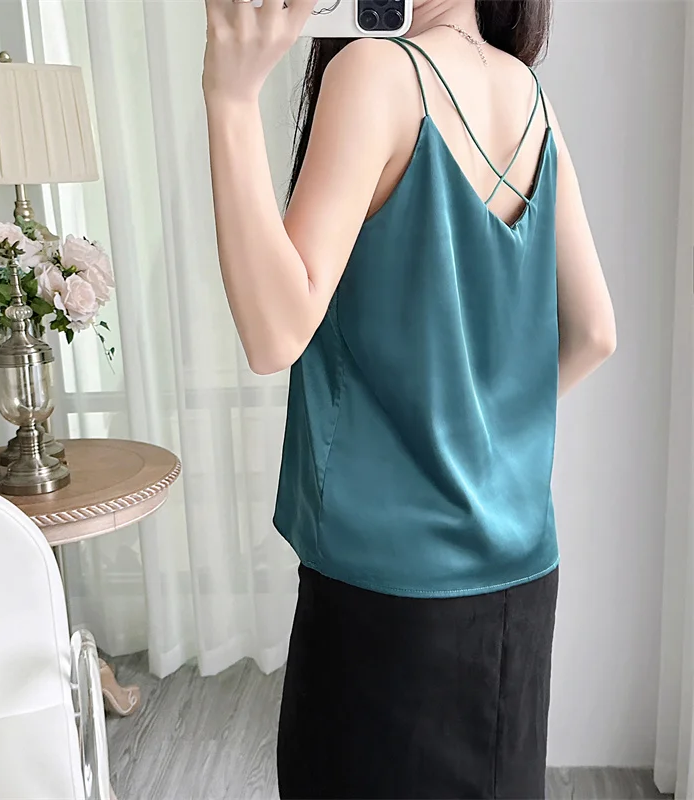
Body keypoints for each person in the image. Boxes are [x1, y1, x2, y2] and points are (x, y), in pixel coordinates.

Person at [202, 0, 616, 795]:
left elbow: (274, 333)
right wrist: (480, 428)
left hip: (387, 596)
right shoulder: (528, 91)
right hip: (520, 581)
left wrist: (230, 98)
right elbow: (594, 332)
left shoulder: (375, 72)